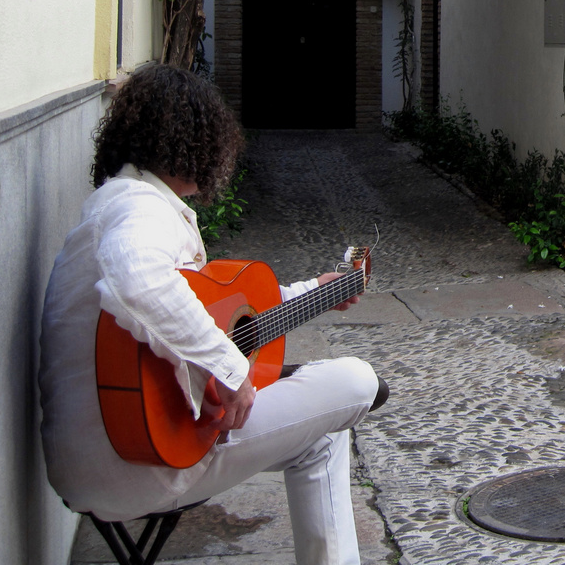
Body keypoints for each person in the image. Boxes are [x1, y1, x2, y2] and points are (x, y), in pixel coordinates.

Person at [39, 63, 386, 565]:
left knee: (322, 433)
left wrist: (316, 290)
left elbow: (211, 310)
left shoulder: (121, 202)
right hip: (139, 459)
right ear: (187, 143)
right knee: (357, 380)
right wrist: (228, 370)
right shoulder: (140, 209)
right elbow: (138, 278)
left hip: (99, 457)